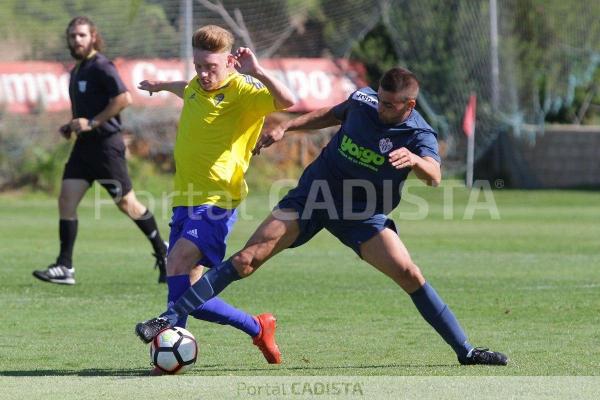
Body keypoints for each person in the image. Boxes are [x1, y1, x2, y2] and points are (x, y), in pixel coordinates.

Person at [135, 67, 509, 366]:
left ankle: (466, 351)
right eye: (380, 98)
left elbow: (435, 176)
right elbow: (330, 115)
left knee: (410, 274)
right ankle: (171, 316)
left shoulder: (418, 133)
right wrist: (287, 125)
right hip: (313, 196)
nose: (381, 107)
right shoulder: (363, 101)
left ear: (409, 105)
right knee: (248, 259)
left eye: (391, 104)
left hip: (362, 215)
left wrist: (415, 161)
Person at [136, 24, 295, 368]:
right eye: (199, 66)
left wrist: (259, 72)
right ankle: (257, 326)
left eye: (212, 67)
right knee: (192, 293)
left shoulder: (244, 91)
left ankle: (169, 341)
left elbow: (288, 101)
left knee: (176, 261)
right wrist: (160, 86)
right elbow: (187, 88)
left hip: (218, 200)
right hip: (186, 198)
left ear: (230, 63)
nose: (204, 74)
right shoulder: (196, 84)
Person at [32, 16, 168, 285]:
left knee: (127, 204)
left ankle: (164, 253)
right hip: (84, 149)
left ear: (93, 36)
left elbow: (124, 98)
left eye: (81, 35)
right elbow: (86, 112)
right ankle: (65, 267)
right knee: (66, 200)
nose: (76, 40)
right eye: (72, 36)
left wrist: (93, 122)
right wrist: (73, 126)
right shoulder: (77, 70)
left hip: (106, 148)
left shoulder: (102, 66)